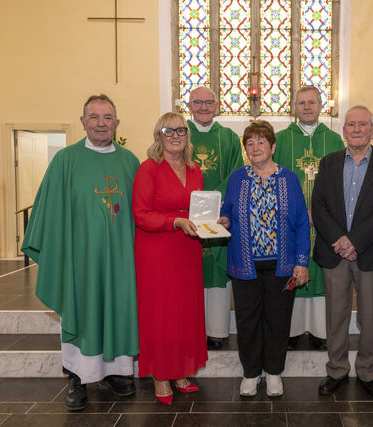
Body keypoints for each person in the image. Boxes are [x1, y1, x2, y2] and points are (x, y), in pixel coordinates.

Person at [21, 94, 139, 411]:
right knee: (81, 308)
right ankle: (77, 375)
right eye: (94, 117)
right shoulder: (65, 161)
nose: (101, 123)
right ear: (83, 121)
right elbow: (50, 209)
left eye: (107, 117)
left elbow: (141, 211)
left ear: (117, 122)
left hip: (120, 259)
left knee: (117, 306)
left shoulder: (129, 162)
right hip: (80, 259)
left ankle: (117, 372)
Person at [312, 105, 373, 399]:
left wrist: (355, 241)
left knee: (369, 316)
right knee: (335, 314)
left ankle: (367, 372)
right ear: (344, 131)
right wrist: (339, 239)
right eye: (351, 124)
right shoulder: (329, 162)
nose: (357, 129)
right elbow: (319, 205)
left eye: (363, 124)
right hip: (334, 252)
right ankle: (336, 370)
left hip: (370, 253)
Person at [218, 120, 310, 397]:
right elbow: (227, 209)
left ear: (272, 146)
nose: (255, 147)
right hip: (244, 264)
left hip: (282, 265)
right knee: (247, 320)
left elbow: (302, 222)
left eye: (260, 142)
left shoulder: (289, 178)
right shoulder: (237, 177)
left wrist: (301, 262)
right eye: (249, 143)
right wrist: (223, 218)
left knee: (277, 320)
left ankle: (273, 372)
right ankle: (250, 373)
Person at [132, 112, 207, 405]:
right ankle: (160, 376)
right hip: (157, 252)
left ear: (187, 136)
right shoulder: (149, 169)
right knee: (161, 314)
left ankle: (179, 372)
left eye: (180, 130)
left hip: (188, 250)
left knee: (184, 313)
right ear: (158, 136)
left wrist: (214, 222)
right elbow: (141, 214)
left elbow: (200, 209)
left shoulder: (195, 169)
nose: (175, 135)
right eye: (168, 130)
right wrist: (174, 222)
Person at [274, 85, 344, 350]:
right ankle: (290, 332)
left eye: (311, 102)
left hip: (325, 222)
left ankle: (319, 332)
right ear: (294, 107)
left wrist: (324, 214)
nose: (306, 107)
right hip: (290, 222)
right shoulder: (280, 140)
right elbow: (274, 178)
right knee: (292, 268)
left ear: (320, 105)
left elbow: (339, 183)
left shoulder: (335, 140)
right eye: (301, 102)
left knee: (322, 271)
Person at [187, 86, 244, 349]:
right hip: (186, 215)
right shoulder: (180, 134)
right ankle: (192, 328)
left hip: (220, 215)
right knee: (189, 271)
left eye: (209, 102)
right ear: (189, 105)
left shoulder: (230, 137)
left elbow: (235, 174)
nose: (203, 107)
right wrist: (193, 202)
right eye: (197, 102)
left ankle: (217, 331)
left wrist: (212, 202)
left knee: (218, 270)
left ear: (217, 105)